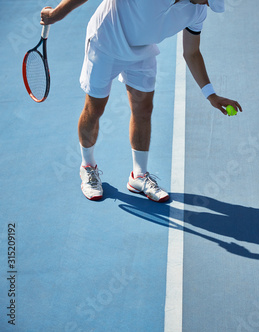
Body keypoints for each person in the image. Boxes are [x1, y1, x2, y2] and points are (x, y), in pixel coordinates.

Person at [40, 0, 242, 202]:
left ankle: (139, 175)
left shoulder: (197, 12)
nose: (205, 4)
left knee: (143, 109)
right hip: (106, 40)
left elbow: (191, 52)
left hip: (141, 50)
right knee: (95, 108)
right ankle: (87, 166)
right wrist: (57, 13)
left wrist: (211, 94)